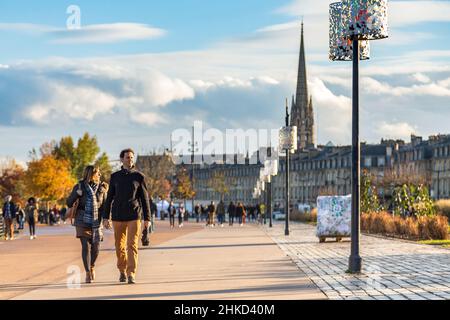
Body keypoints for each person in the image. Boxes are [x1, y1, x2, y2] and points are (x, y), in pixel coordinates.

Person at [103, 149, 151, 285]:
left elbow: (145, 199)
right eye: (127, 157)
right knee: (119, 246)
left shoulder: (139, 177)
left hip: (134, 215)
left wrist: (148, 219)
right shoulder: (114, 177)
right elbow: (109, 198)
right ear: (121, 159)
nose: (130, 159)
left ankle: (131, 274)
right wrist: (105, 217)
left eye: (131, 157)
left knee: (132, 245)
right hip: (117, 216)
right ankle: (122, 271)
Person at [67, 166, 108, 284]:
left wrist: (106, 219)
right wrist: (76, 194)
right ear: (91, 174)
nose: (100, 175)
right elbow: (69, 202)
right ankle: (87, 273)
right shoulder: (79, 187)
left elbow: (105, 206)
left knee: (96, 248)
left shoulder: (102, 188)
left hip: (96, 221)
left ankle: (92, 266)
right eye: (98, 173)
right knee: (85, 246)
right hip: (81, 220)